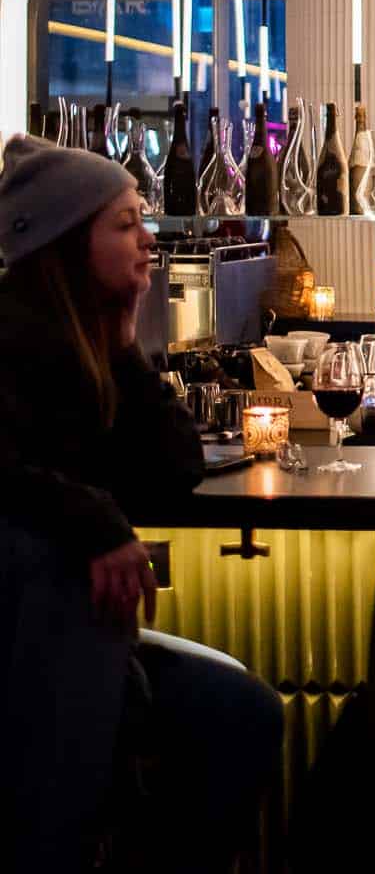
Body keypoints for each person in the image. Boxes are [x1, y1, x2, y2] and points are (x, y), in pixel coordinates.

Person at [0, 135, 282, 872]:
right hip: (25, 640)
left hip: (87, 636)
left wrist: (125, 343)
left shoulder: (88, 347)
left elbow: (173, 468)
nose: (149, 238)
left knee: (242, 713)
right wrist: (94, 524)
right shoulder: (8, 338)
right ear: (66, 241)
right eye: (125, 223)